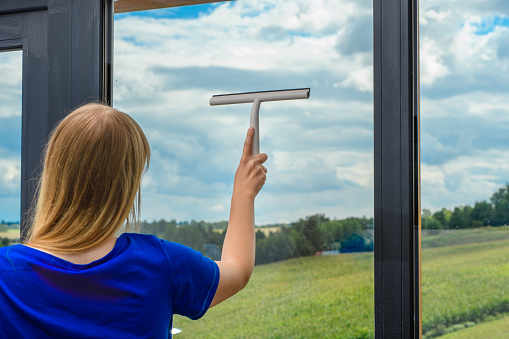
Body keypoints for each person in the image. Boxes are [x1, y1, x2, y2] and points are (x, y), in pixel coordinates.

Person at [0, 103, 268, 338]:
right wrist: (243, 194)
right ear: (126, 188)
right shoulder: (161, 263)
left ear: (54, 174)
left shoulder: (5, 272)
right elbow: (238, 269)